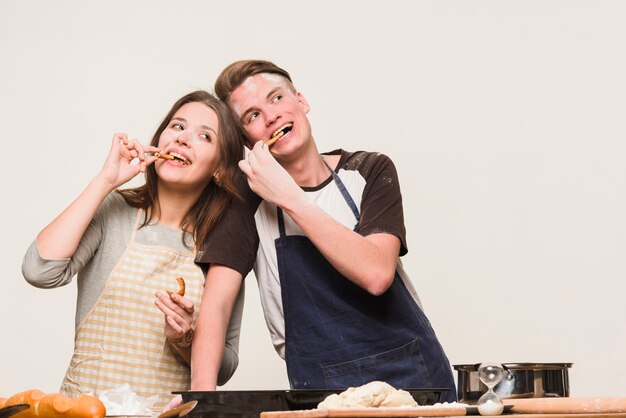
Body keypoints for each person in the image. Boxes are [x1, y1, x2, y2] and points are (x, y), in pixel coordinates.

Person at [188, 60, 457, 401]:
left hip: (415, 377)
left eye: (276, 99)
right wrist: (199, 399)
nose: (270, 117)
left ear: (301, 101)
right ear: (246, 140)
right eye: (253, 116)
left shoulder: (369, 170)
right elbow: (217, 305)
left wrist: (289, 198)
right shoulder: (245, 199)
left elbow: (376, 273)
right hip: (321, 389)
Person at [22, 90, 249, 411]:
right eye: (177, 126)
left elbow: (224, 368)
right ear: (160, 140)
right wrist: (106, 180)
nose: (183, 139)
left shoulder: (224, 241)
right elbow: (39, 271)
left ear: (218, 167)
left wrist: (185, 337)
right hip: (85, 411)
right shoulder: (115, 210)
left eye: (204, 136)